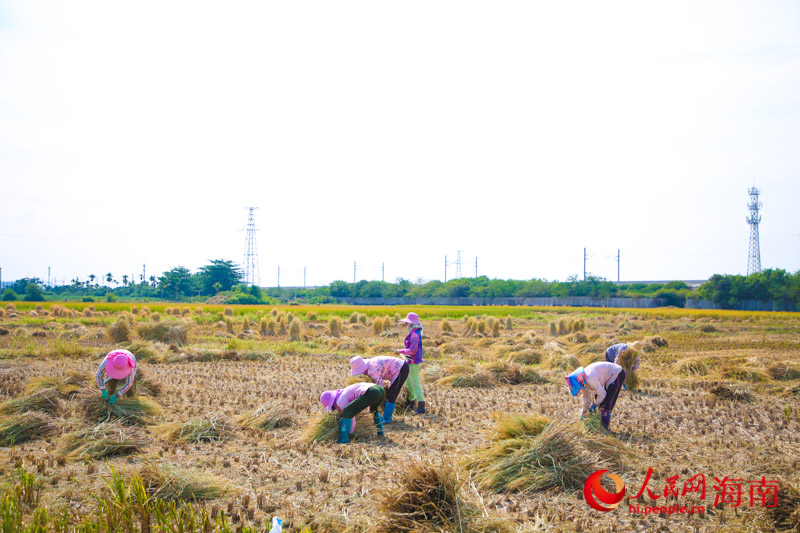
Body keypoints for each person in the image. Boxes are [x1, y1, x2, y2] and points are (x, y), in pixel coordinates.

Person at [565, 361, 626, 431]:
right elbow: (586, 397)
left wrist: (595, 405)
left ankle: (604, 428)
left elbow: (602, 393)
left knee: (608, 402)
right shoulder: (582, 381)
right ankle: (600, 424)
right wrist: (583, 413)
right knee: (599, 398)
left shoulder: (589, 378)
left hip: (617, 373)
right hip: (607, 375)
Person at [320, 382, 386, 444]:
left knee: (346, 411)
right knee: (373, 410)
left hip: (372, 392)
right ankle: (380, 432)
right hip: (379, 390)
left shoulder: (340, 400)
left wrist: (350, 432)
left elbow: (350, 416)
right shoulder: (343, 392)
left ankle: (343, 439)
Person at [349, 355, 409, 423]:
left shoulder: (373, 370)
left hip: (401, 368)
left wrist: (371, 404)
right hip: (394, 369)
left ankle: (386, 419)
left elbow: (380, 389)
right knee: (390, 392)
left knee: (391, 393)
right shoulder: (368, 367)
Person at [396, 312, 425, 414]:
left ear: (412, 324)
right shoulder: (413, 333)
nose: (406, 325)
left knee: (415, 384)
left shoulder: (415, 336)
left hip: (413, 363)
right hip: (409, 362)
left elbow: (412, 350)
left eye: (407, 323)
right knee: (409, 384)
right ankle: (410, 403)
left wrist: (401, 351)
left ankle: (421, 406)